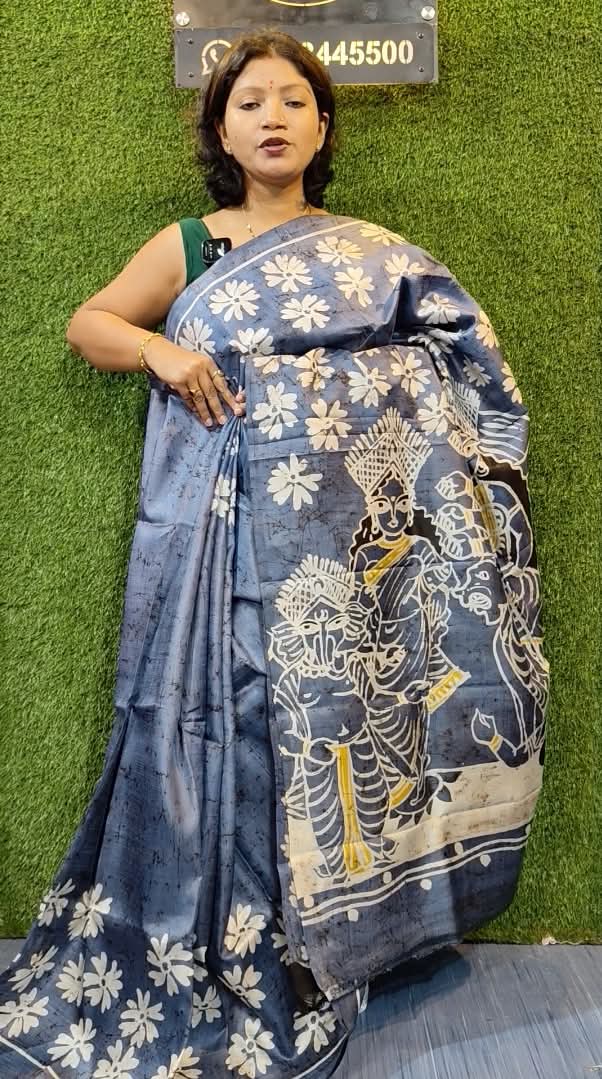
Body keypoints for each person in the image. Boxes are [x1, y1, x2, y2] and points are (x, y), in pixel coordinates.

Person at [0, 29, 548, 1079]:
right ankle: (218, 935)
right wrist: (162, 349)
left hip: (332, 552)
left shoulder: (374, 256)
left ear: (322, 126)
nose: (272, 118)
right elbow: (89, 323)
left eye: (293, 100)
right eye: (248, 101)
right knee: (230, 720)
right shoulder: (193, 246)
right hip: (216, 536)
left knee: (322, 729)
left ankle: (318, 940)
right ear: (221, 130)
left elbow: (451, 363)